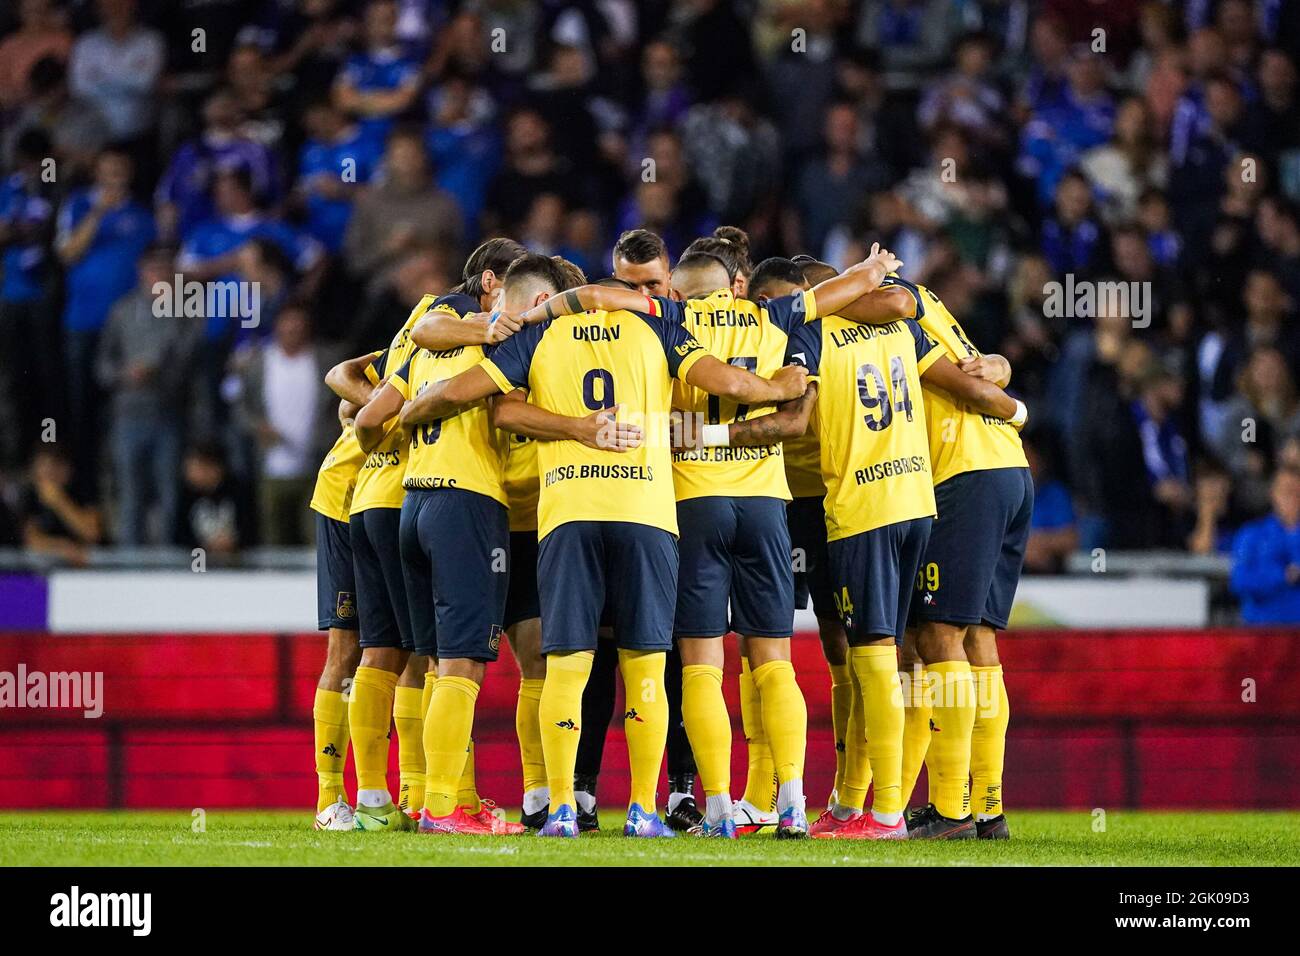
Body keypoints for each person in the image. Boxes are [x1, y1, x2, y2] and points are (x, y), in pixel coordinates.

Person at [399, 265, 810, 838]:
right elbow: (728, 383)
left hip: (568, 512)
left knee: (566, 666)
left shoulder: (540, 334)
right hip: (646, 511)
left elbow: (495, 407)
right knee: (646, 667)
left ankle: (562, 807)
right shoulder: (659, 326)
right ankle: (645, 809)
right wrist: (779, 390)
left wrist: (574, 427)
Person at [698, 265, 1027, 840]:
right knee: (939, 645)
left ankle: (920, 809)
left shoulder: (819, 330)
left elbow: (795, 418)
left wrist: (700, 434)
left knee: (907, 647)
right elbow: (976, 373)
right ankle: (968, 806)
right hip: (942, 488)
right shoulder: (909, 315)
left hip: (903, 491)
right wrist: (1016, 404)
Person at [94, 244, 198, 546]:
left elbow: (190, 365)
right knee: (130, 493)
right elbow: (101, 366)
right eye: (155, 271)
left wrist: (162, 372)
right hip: (128, 417)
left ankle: (164, 563)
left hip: (168, 415)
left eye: (166, 272)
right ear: (142, 273)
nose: (160, 278)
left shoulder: (185, 314)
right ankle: (129, 563)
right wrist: (126, 374)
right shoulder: (122, 311)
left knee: (169, 493)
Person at [1230, 467, 1300, 624]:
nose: (1294, 498)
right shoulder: (1252, 534)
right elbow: (1240, 581)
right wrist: (1283, 576)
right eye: (1288, 492)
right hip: (1263, 633)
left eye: (1298, 493)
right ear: (1273, 494)